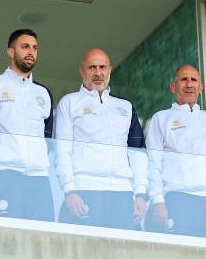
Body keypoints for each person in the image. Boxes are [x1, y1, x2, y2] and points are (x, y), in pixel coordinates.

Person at [145, 65, 206, 240]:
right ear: (173, 87)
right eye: (184, 79)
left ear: (201, 87)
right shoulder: (161, 119)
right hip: (181, 198)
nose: (189, 84)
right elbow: (152, 164)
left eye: (194, 80)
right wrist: (158, 201)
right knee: (184, 255)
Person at [53, 48, 148, 230]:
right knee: (87, 247)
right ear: (82, 71)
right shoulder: (70, 102)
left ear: (109, 70)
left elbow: (138, 153)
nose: (98, 73)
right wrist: (70, 191)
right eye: (92, 67)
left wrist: (141, 194)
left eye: (102, 67)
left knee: (123, 247)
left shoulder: (125, 107)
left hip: (122, 192)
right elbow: (61, 152)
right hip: (86, 189)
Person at [0, 29, 54, 221]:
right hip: (4, 174)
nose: (31, 52)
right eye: (25, 47)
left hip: (39, 177)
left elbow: (47, 139)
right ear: (11, 52)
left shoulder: (43, 93)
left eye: (35, 48)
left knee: (41, 235)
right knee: (6, 235)